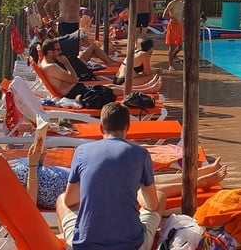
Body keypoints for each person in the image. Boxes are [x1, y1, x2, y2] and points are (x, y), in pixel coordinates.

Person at [56, 103, 222, 250]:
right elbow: (151, 204)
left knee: (61, 200)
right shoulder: (140, 153)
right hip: (132, 245)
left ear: (101, 128)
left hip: (84, 245)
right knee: (160, 196)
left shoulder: (82, 152)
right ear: (128, 127)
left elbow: (70, 200)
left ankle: (65, 242)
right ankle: (200, 180)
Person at [0, 134, 227, 213]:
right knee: (136, 182)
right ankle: (203, 179)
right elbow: (27, 204)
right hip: (78, 193)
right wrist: (30, 165)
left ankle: (202, 176)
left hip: (75, 179)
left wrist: (37, 157)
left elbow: (34, 178)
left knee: (136, 176)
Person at [163, 0, 185, 70]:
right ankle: (170, 65)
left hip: (179, 25)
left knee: (180, 47)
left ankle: (174, 56)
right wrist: (172, 17)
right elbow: (164, 15)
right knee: (172, 46)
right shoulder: (172, 3)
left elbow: (182, 14)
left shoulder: (182, 4)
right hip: (173, 25)